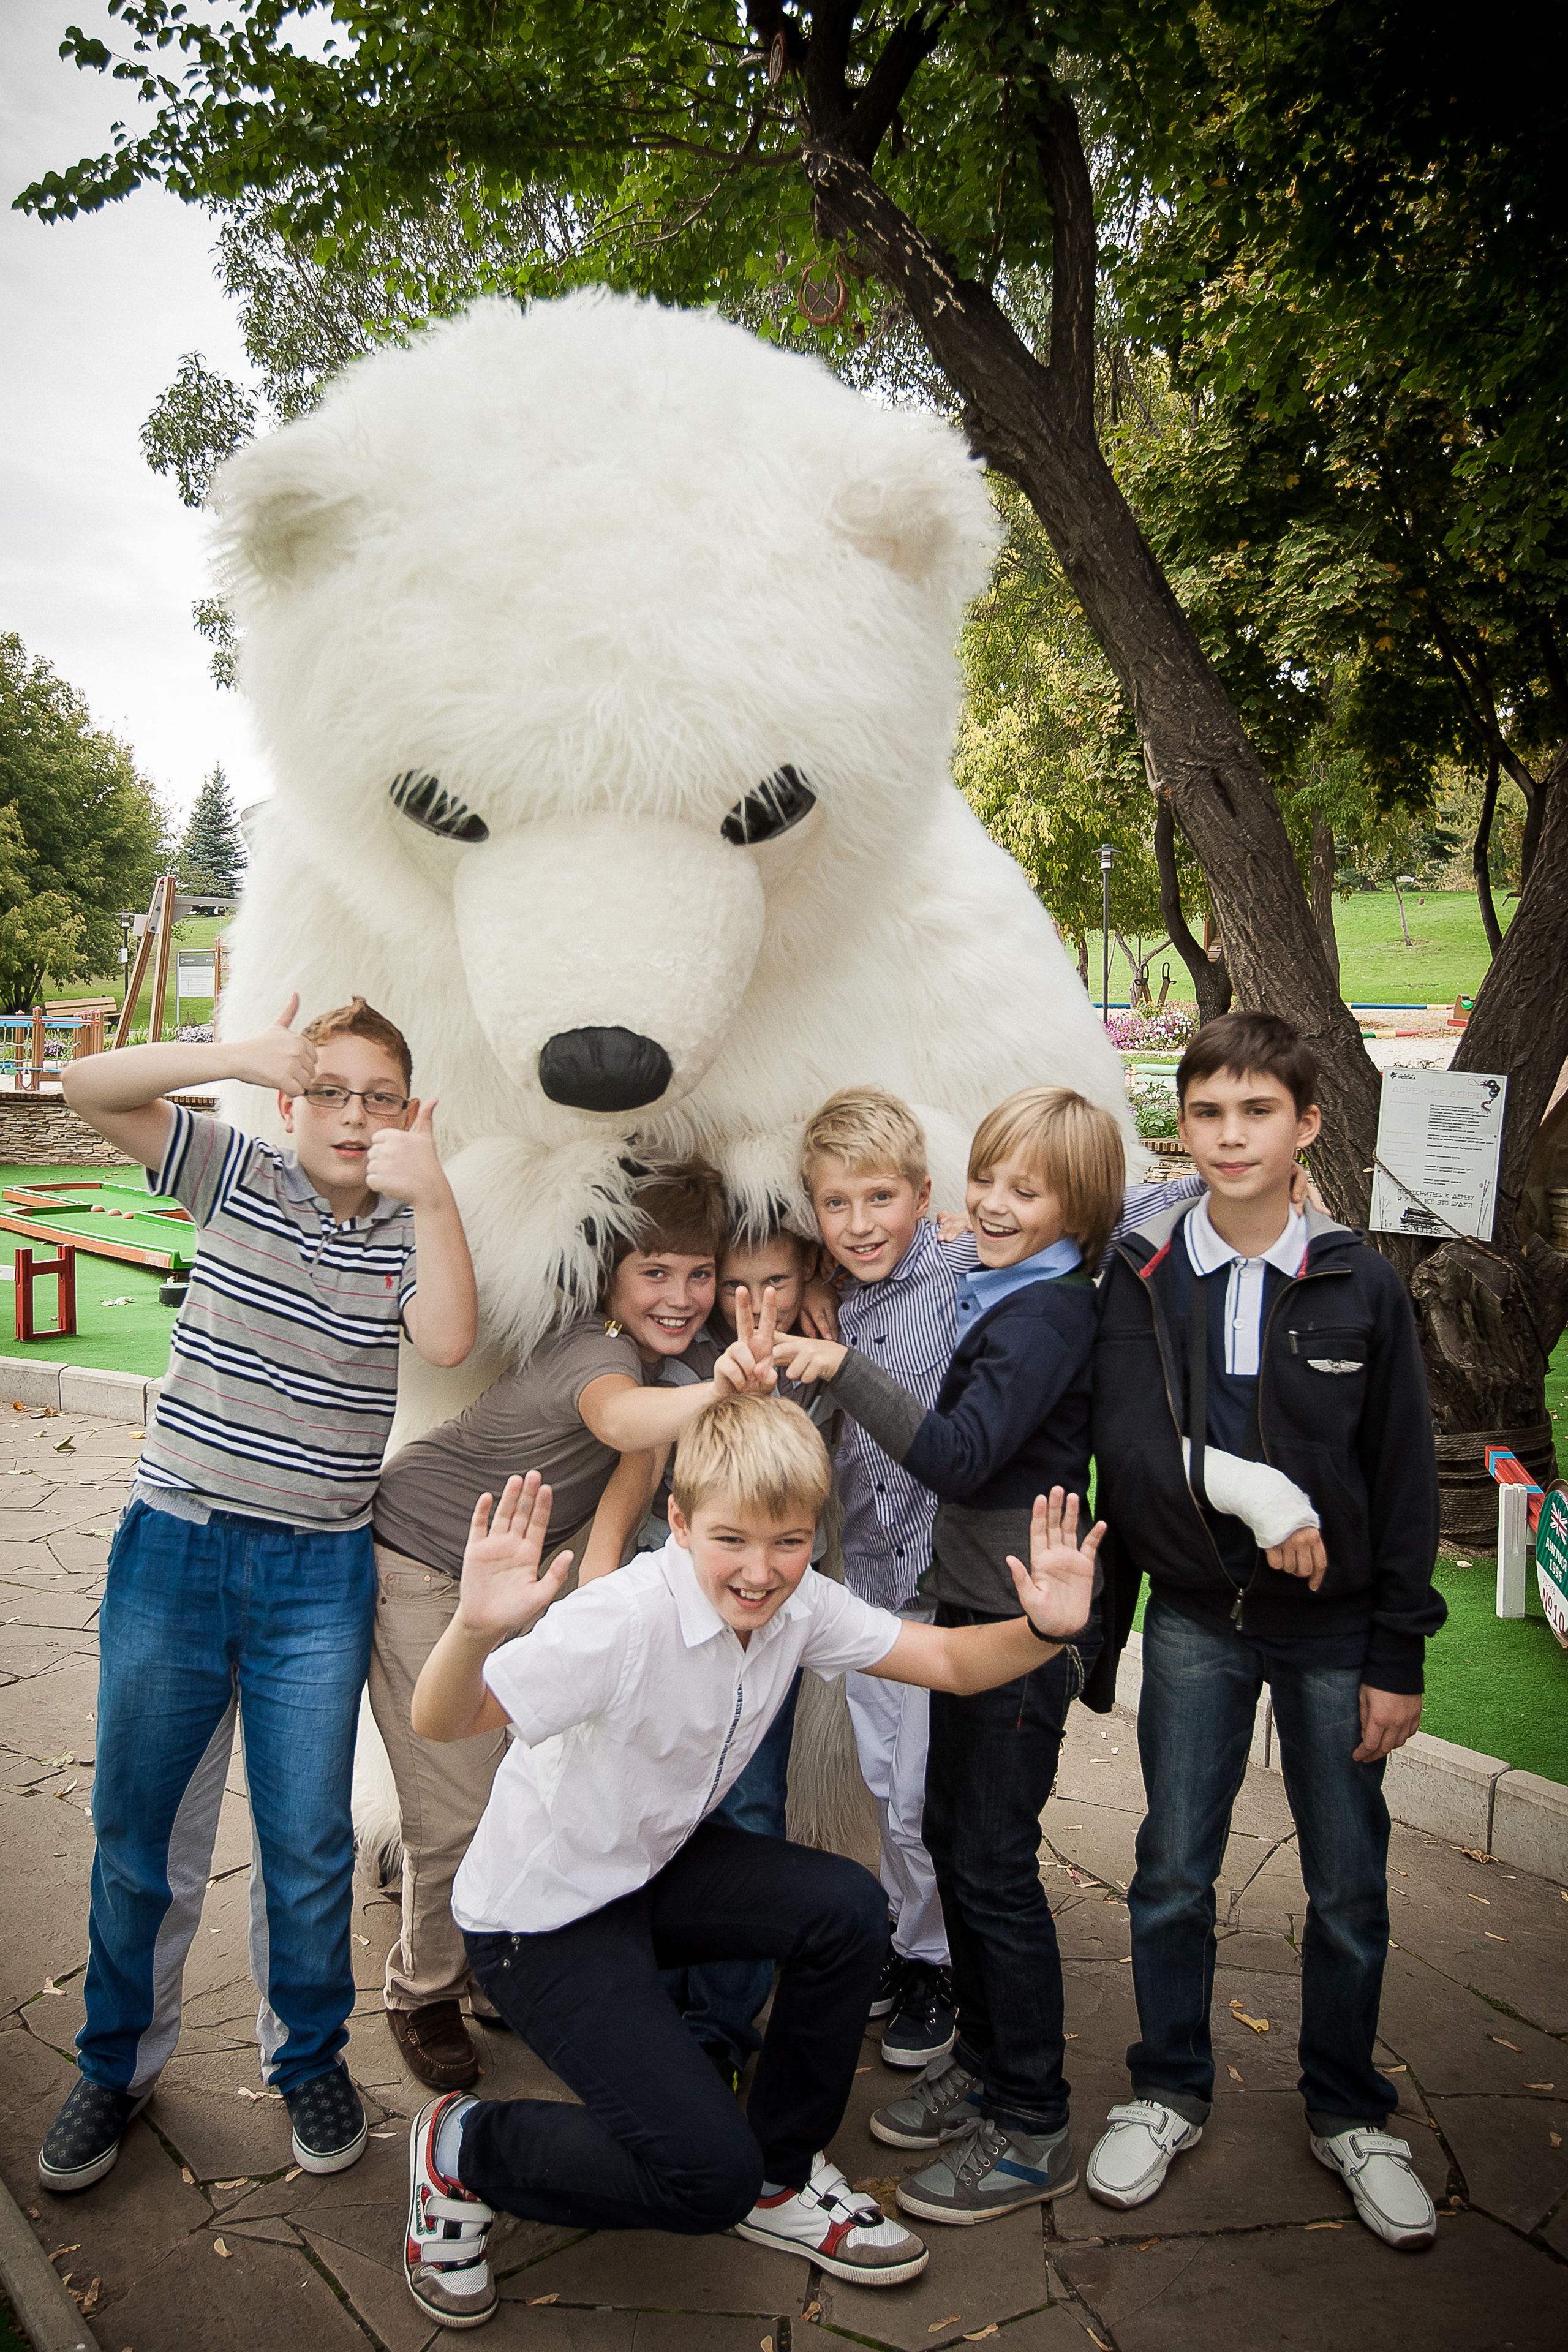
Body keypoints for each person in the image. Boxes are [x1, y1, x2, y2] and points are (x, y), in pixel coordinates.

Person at [397, 1393, 1106, 2331]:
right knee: (700, 2178)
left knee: (848, 1909)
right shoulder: (620, 1620)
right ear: (680, 1524)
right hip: (541, 1918)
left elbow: (947, 1660)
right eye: (732, 1539)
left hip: (647, 1871)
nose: (762, 1572)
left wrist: (1048, 1631)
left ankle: (780, 2174)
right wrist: (477, 1627)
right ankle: (465, 2149)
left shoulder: (800, 1602)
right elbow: (441, 1721)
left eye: (790, 1542)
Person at [39, 995, 478, 2193]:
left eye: (377, 1096)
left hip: (313, 1581)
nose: (351, 1114)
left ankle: (308, 2057)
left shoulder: (403, 1225)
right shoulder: (238, 1170)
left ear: (404, 1114)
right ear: (289, 1102)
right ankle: (117, 2061)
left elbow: (445, 1336)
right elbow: (91, 1088)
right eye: (325, 1089)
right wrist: (236, 1056)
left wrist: (432, 1187)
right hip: (175, 1552)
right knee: (140, 1839)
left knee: (306, 1841)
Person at [1083, 1011, 1445, 2250]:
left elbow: (1403, 1481)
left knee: (1346, 1887)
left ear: (1306, 1125)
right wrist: (1259, 1495)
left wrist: (1396, 1652)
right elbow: (1127, 1456)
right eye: (1204, 1113)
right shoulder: (1141, 1277)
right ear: (1178, 1127)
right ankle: (1165, 2087)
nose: (1227, 1136)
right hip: (1195, 1623)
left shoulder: (1360, 1284)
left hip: (1335, 1634)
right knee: (1172, 1871)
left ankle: (1348, 2112)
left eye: (1254, 1112)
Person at [777, 1085, 1127, 2224]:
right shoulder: (1001, 1292)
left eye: (1025, 1190)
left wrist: (841, 1369)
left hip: (1021, 1630)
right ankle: (983, 2065)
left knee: (992, 1868)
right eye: (987, 1178)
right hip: (972, 1610)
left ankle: (1031, 2119)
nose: (992, 1202)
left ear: (1076, 1207)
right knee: (946, 1839)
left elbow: (965, 1458)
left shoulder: (1044, 1316)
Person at [364, 1160, 774, 2092]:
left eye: (697, 1274)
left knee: (523, 1779)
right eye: (654, 1272)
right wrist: (719, 1391)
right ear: (612, 1279)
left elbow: (634, 1471)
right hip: (422, 1561)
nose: (679, 1296)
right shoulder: (597, 1354)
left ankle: (489, 1960)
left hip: (509, 1577)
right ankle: (421, 1987)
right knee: (456, 1802)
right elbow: (626, 1420)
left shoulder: (661, 1359)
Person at [797, 1087, 962, 2070]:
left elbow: (1104, 1210)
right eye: (837, 1204)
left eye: (881, 1199)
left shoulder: (958, 1262)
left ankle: (938, 1962)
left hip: (940, 1592)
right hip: (867, 1583)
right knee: (880, 1777)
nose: (861, 1224)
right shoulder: (841, 1298)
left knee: (918, 1796)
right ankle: (908, 1944)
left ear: (923, 1195)